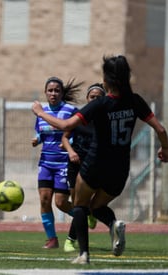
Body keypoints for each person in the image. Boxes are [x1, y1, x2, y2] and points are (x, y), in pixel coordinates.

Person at [32, 55, 168, 264]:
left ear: (106, 80)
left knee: (80, 205)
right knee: (97, 208)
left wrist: (40, 113)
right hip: (120, 168)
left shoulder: (101, 104)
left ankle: (83, 254)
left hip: (95, 164)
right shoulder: (135, 101)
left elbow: (66, 126)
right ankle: (113, 224)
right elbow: (160, 129)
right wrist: (165, 149)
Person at [31, 76, 83, 249]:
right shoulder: (42, 113)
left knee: (60, 202)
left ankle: (82, 216)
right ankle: (51, 239)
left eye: (57, 90)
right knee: (44, 200)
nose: (53, 93)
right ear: (45, 93)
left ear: (62, 93)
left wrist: (70, 143)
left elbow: (79, 132)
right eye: (50, 90)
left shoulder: (70, 111)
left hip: (64, 164)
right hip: (46, 162)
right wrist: (37, 139)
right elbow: (41, 133)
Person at [61, 83, 106, 253]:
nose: (95, 99)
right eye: (92, 97)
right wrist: (70, 151)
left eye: (98, 97)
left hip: (93, 165)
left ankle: (71, 240)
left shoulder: (105, 120)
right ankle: (89, 216)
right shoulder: (79, 117)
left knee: (82, 203)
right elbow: (65, 137)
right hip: (74, 163)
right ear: (87, 99)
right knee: (78, 203)